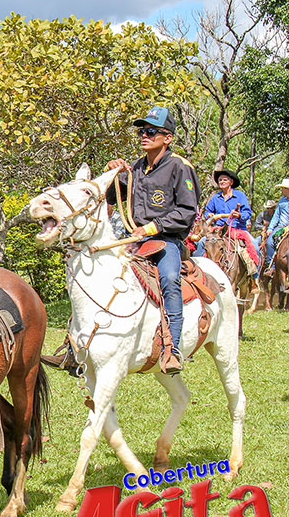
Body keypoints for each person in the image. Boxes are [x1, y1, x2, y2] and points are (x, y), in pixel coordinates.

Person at [106, 106, 200, 373]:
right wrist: (113, 172)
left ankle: (173, 349)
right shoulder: (135, 167)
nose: (144, 136)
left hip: (166, 241)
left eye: (151, 131)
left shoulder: (180, 167)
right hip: (132, 241)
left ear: (167, 138)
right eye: (141, 131)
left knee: (170, 279)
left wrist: (150, 228)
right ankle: (75, 345)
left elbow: (186, 211)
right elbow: (115, 198)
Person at [193, 169, 258, 274]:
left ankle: (254, 280)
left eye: (224, 180)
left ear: (231, 182)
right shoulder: (215, 198)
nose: (222, 182)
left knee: (255, 246)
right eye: (220, 180)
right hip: (218, 230)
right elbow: (207, 211)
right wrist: (208, 215)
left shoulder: (240, 196)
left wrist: (239, 215)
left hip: (237, 229)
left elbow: (247, 213)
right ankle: (197, 270)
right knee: (201, 243)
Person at [263, 180, 289, 276]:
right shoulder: (281, 200)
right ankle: (272, 267)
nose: (281, 190)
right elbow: (276, 216)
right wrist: (270, 228)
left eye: (283, 188)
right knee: (269, 242)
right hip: (281, 227)